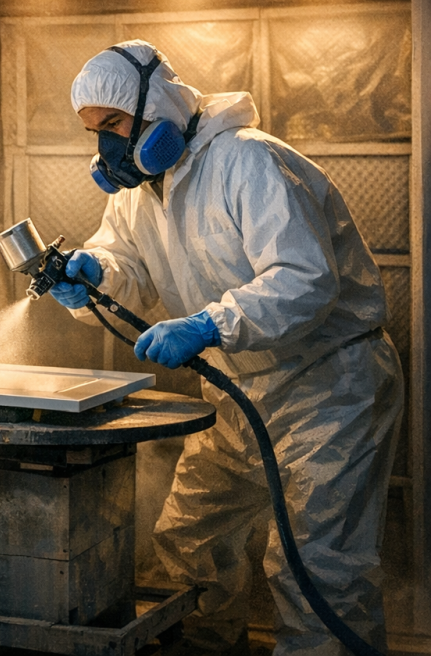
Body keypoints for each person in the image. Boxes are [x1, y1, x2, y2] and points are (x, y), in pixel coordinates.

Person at [49, 40, 404, 656]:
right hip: (241, 389)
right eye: (94, 132)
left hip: (329, 386)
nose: (105, 147)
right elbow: (126, 263)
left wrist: (209, 325)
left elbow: (304, 279)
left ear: (155, 103)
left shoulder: (250, 162)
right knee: (190, 533)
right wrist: (95, 273)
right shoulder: (137, 193)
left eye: (113, 125)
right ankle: (208, 645)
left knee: (318, 566)